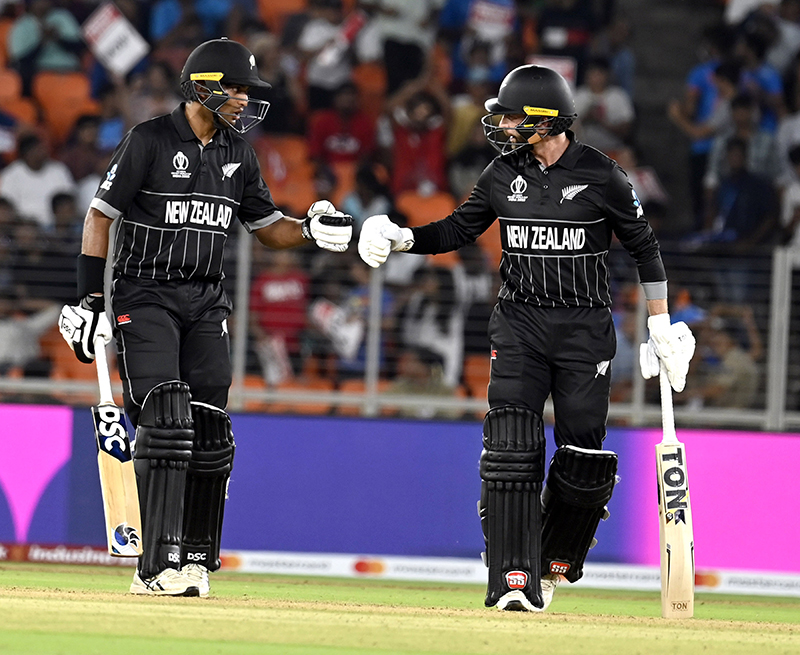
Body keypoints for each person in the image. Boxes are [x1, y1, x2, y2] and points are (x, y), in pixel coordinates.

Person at [357, 65, 696, 612]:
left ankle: (553, 559)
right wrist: (402, 238)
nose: (503, 126)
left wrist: (659, 323)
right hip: (519, 324)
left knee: (583, 458)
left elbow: (644, 247)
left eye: (513, 117)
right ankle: (513, 575)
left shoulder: (603, 174)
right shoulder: (501, 172)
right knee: (511, 444)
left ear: (545, 120)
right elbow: (457, 229)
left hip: (584, 330)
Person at [57, 38, 352, 598]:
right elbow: (99, 217)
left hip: (207, 300)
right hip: (144, 295)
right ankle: (155, 565)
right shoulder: (148, 139)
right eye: (235, 88)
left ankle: (194, 558)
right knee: (166, 415)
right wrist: (89, 301)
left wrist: (310, 229)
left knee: (210, 426)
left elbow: (267, 228)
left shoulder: (240, 152)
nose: (243, 99)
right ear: (201, 87)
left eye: (246, 90)